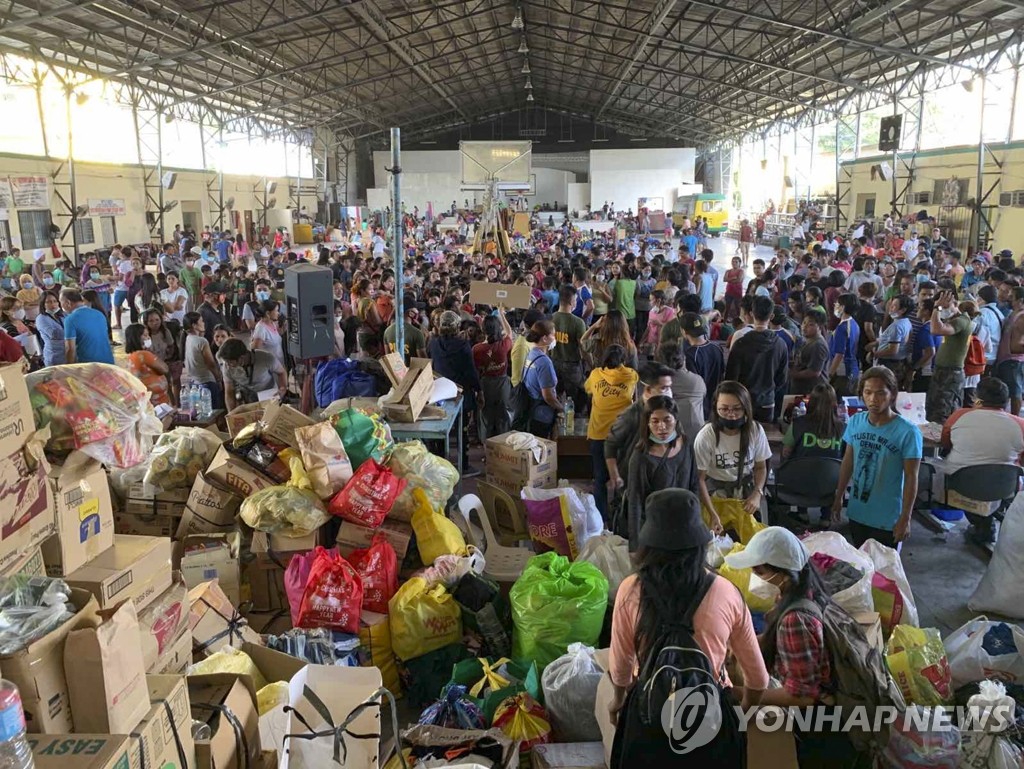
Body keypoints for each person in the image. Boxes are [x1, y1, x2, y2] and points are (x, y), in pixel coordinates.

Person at [609, 489, 768, 767]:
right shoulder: (726, 592)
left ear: (649, 544)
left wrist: (618, 700)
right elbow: (758, 679)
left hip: (649, 718)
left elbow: (621, 668)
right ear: (699, 543)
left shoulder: (630, 590)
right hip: (710, 721)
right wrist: (743, 713)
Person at [724, 527, 868, 769]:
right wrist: (739, 645)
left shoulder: (796, 620)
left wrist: (740, 693)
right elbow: (780, 643)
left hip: (823, 726)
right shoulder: (805, 592)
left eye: (759, 570)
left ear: (782, 573)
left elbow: (801, 697)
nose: (754, 575)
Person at [833, 366, 922, 547]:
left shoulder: (908, 432)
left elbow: (912, 477)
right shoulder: (856, 422)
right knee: (861, 565)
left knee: (884, 570)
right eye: (868, 392)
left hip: (888, 518)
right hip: (858, 512)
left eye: (881, 393)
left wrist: (905, 517)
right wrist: (839, 495)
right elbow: (848, 462)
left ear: (892, 394)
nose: (873, 399)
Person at [930, 377, 1024, 545]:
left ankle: (980, 524)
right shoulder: (1020, 424)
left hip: (962, 484)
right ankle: (986, 525)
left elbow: (946, 444)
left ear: (976, 397)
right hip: (1004, 487)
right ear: (1007, 401)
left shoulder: (959, 416)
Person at [694, 381, 772, 534]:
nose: (731, 414)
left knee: (753, 541)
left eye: (737, 409)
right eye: (724, 409)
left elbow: (761, 466)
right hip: (716, 494)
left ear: (746, 409)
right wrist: (712, 513)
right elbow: (700, 479)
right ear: (716, 409)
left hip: (746, 491)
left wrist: (757, 493)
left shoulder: (755, 430)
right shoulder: (706, 436)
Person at [625, 396, 699, 548]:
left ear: (676, 421)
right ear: (647, 423)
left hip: (684, 524)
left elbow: (694, 484)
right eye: (655, 421)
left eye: (667, 420)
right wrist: (635, 544)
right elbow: (635, 501)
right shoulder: (641, 456)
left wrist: (695, 521)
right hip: (655, 530)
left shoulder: (685, 444)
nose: (662, 427)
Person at [604, 361, 676, 497]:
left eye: (669, 387)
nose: (669, 392)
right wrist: (615, 476)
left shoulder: (670, 411)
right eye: (663, 388)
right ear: (648, 390)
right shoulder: (631, 415)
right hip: (635, 482)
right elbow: (610, 444)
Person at [585, 345, 639, 519]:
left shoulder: (595, 375)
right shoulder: (631, 375)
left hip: (598, 433)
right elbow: (635, 399)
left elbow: (588, 390)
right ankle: (620, 515)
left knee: (600, 478)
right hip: (622, 434)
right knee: (622, 476)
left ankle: (602, 518)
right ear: (624, 360)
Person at [429, 311, 481, 473]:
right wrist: (479, 390)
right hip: (460, 394)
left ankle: (439, 464)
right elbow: (470, 372)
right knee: (462, 430)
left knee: (439, 429)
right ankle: (463, 465)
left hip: (440, 392)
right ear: (457, 327)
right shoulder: (463, 346)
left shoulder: (433, 343)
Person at [725, 295, 789, 422]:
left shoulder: (740, 343)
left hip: (743, 401)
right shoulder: (781, 344)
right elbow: (782, 379)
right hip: (767, 402)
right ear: (771, 317)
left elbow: (731, 377)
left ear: (751, 314)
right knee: (762, 439)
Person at [927, 289, 971, 424]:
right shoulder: (951, 320)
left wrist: (937, 307)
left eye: (946, 306)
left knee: (945, 413)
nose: (943, 310)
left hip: (951, 374)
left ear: (955, 303)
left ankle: (944, 444)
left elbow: (935, 330)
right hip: (941, 371)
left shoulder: (962, 321)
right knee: (934, 410)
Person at [516, 319, 563, 439]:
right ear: (544, 339)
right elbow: (548, 396)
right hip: (541, 413)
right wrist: (561, 408)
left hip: (531, 407)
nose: (554, 338)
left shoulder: (531, 354)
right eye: (553, 335)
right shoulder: (544, 362)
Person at [473, 311, 514, 440]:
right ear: (499, 328)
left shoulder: (477, 349)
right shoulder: (503, 346)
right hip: (502, 385)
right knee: (503, 416)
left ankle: (487, 450)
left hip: (485, 385)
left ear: (482, 330)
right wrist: (501, 314)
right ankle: (503, 448)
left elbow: (475, 370)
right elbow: (510, 333)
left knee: (486, 418)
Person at [217, 338, 288, 410]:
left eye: (230, 362)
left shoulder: (266, 358)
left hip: (268, 398)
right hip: (247, 401)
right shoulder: (227, 366)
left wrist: (282, 389)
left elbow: (282, 372)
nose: (228, 365)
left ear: (241, 358)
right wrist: (231, 413)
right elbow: (229, 392)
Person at [656, 340, 706, 439]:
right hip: (697, 433)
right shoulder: (698, 381)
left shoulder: (657, 385)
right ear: (684, 359)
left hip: (668, 435)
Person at [551, 285, 587, 408]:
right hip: (572, 365)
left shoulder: (551, 318)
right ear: (572, 301)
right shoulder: (578, 322)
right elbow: (583, 347)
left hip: (554, 361)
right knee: (575, 397)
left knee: (556, 394)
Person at [180, 311, 224, 409]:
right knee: (214, 412)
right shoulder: (201, 341)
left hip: (194, 383)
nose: (204, 323)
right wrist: (218, 379)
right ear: (194, 325)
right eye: (201, 321)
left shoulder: (188, 338)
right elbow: (211, 364)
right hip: (207, 382)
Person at [60, 288, 114, 365]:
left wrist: (69, 369)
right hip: (108, 361)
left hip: (89, 365)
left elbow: (70, 349)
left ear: (68, 302)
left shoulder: (70, 319)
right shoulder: (99, 314)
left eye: (61, 302)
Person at [869, 295, 913, 387]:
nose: (890, 308)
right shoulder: (905, 322)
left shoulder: (897, 326)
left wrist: (875, 354)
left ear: (903, 310)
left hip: (890, 363)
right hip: (899, 362)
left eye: (893, 306)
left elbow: (893, 350)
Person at [124, 323, 170, 406]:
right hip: (157, 403)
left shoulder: (131, 356)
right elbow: (165, 369)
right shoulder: (144, 355)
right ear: (136, 338)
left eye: (148, 335)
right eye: (145, 335)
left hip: (146, 402)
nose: (148, 338)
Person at [995, 286, 1024, 417]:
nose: (1009, 299)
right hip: (1005, 359)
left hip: (1014, 360)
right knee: (1006, 391)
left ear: (1020, 300)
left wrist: (1018, 349)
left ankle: (1016, 418)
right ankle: (1006, 417)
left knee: (1015, 392)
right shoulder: (1012, 313)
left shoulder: (1022, 317)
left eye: (1012, 297)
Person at [828, 293, 861, 397]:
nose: (835, 306)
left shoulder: (842, 328)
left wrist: (829, 374)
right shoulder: (854, 323)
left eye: (837, 304)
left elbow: (839, 354)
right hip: (853, 367)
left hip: (843, 372)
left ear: (843, 307)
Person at [790, 308, 829, 394]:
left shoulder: (818, 345)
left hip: (812, 391)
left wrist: (792, 374)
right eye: (804, 323)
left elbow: (814, 372)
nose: (804, 327)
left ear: (819, 327)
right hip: (801, 388)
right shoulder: (807, 340)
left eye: (810, 324)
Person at [384, 297, 427, 363]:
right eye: (416, 309)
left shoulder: (387, 331)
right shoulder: (417, 333)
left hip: (396, 371)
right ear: (411, 313)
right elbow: (424, 362)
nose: (418, 312)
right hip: (413, 372)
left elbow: (389, 359)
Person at [250, 299, 286, 371]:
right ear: (267, 313)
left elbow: (279, 334)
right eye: (276, 311)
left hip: (278, 365)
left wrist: (284, 324)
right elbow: (256, 351)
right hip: (269, 369)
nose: (278, 313)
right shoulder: (261, 329)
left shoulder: (272, 323)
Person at [34, 291, 65, 367]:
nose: (53, 304)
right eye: (48, 302)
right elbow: (53, 334)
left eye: (55, 301)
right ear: (43, 304)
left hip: (67, 353)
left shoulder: (63, 315)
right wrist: (72, 331)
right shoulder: (41, 318)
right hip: (54, 356)